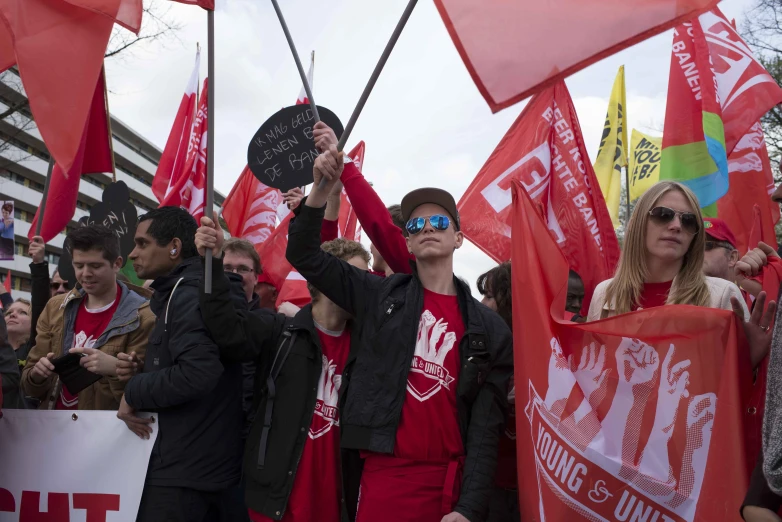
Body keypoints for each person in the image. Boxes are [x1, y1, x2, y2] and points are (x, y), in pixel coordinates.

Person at [286, 145, 513, 522]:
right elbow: (304, 254)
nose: (426, 228)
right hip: (383, 479)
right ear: (405, 242)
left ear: (458, 239)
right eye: (415, 225)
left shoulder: (489, 329)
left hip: (449, 488)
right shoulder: (378, 295)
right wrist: (322, 190)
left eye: (439, 223)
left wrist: (468, 508)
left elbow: (485, 429)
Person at [196, 220, 369, 522]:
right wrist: (211, 263)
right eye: (356, 275)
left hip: (337, 505)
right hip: (275, 504)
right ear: (326, 277)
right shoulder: (281, 331)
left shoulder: (368, 348)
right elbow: (227, 330)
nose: (366, 286)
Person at [119, 206, 244, 522]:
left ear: (174, 247)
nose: (133, 254)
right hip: (199, 465)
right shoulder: (186, 290)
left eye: (142, 243)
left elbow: (198, 372)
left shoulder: (187, 292)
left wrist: (134, 390)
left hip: (184, 474)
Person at [587, 181, 753, 346]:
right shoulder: (604, 294)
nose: (676, 226)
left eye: (688, 220)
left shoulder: (723, 295)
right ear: (639, 223)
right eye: (663, 215)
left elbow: (734, 368)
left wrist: (751, 358)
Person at [20, 225, 154, 410]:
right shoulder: (55, 307)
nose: (86, 273)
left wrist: (115, 370)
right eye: (79, 266)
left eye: (95, 266)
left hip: (105, 430)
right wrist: (37, 375)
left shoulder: (144, 315)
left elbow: (142, 396)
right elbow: (29, 386)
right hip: (52, 426)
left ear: (116, 263)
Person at [476, 262, 519, 522]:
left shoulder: (553, 358)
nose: (482, 303)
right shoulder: (478, 353)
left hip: (530, 493)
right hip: (487, 492)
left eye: (490, 296)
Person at [701, 217, 741, 282]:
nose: (696, 252)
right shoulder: (679, 291)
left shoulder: (755, 292)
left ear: (732, 257)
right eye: (692, 247)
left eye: (707, 245)